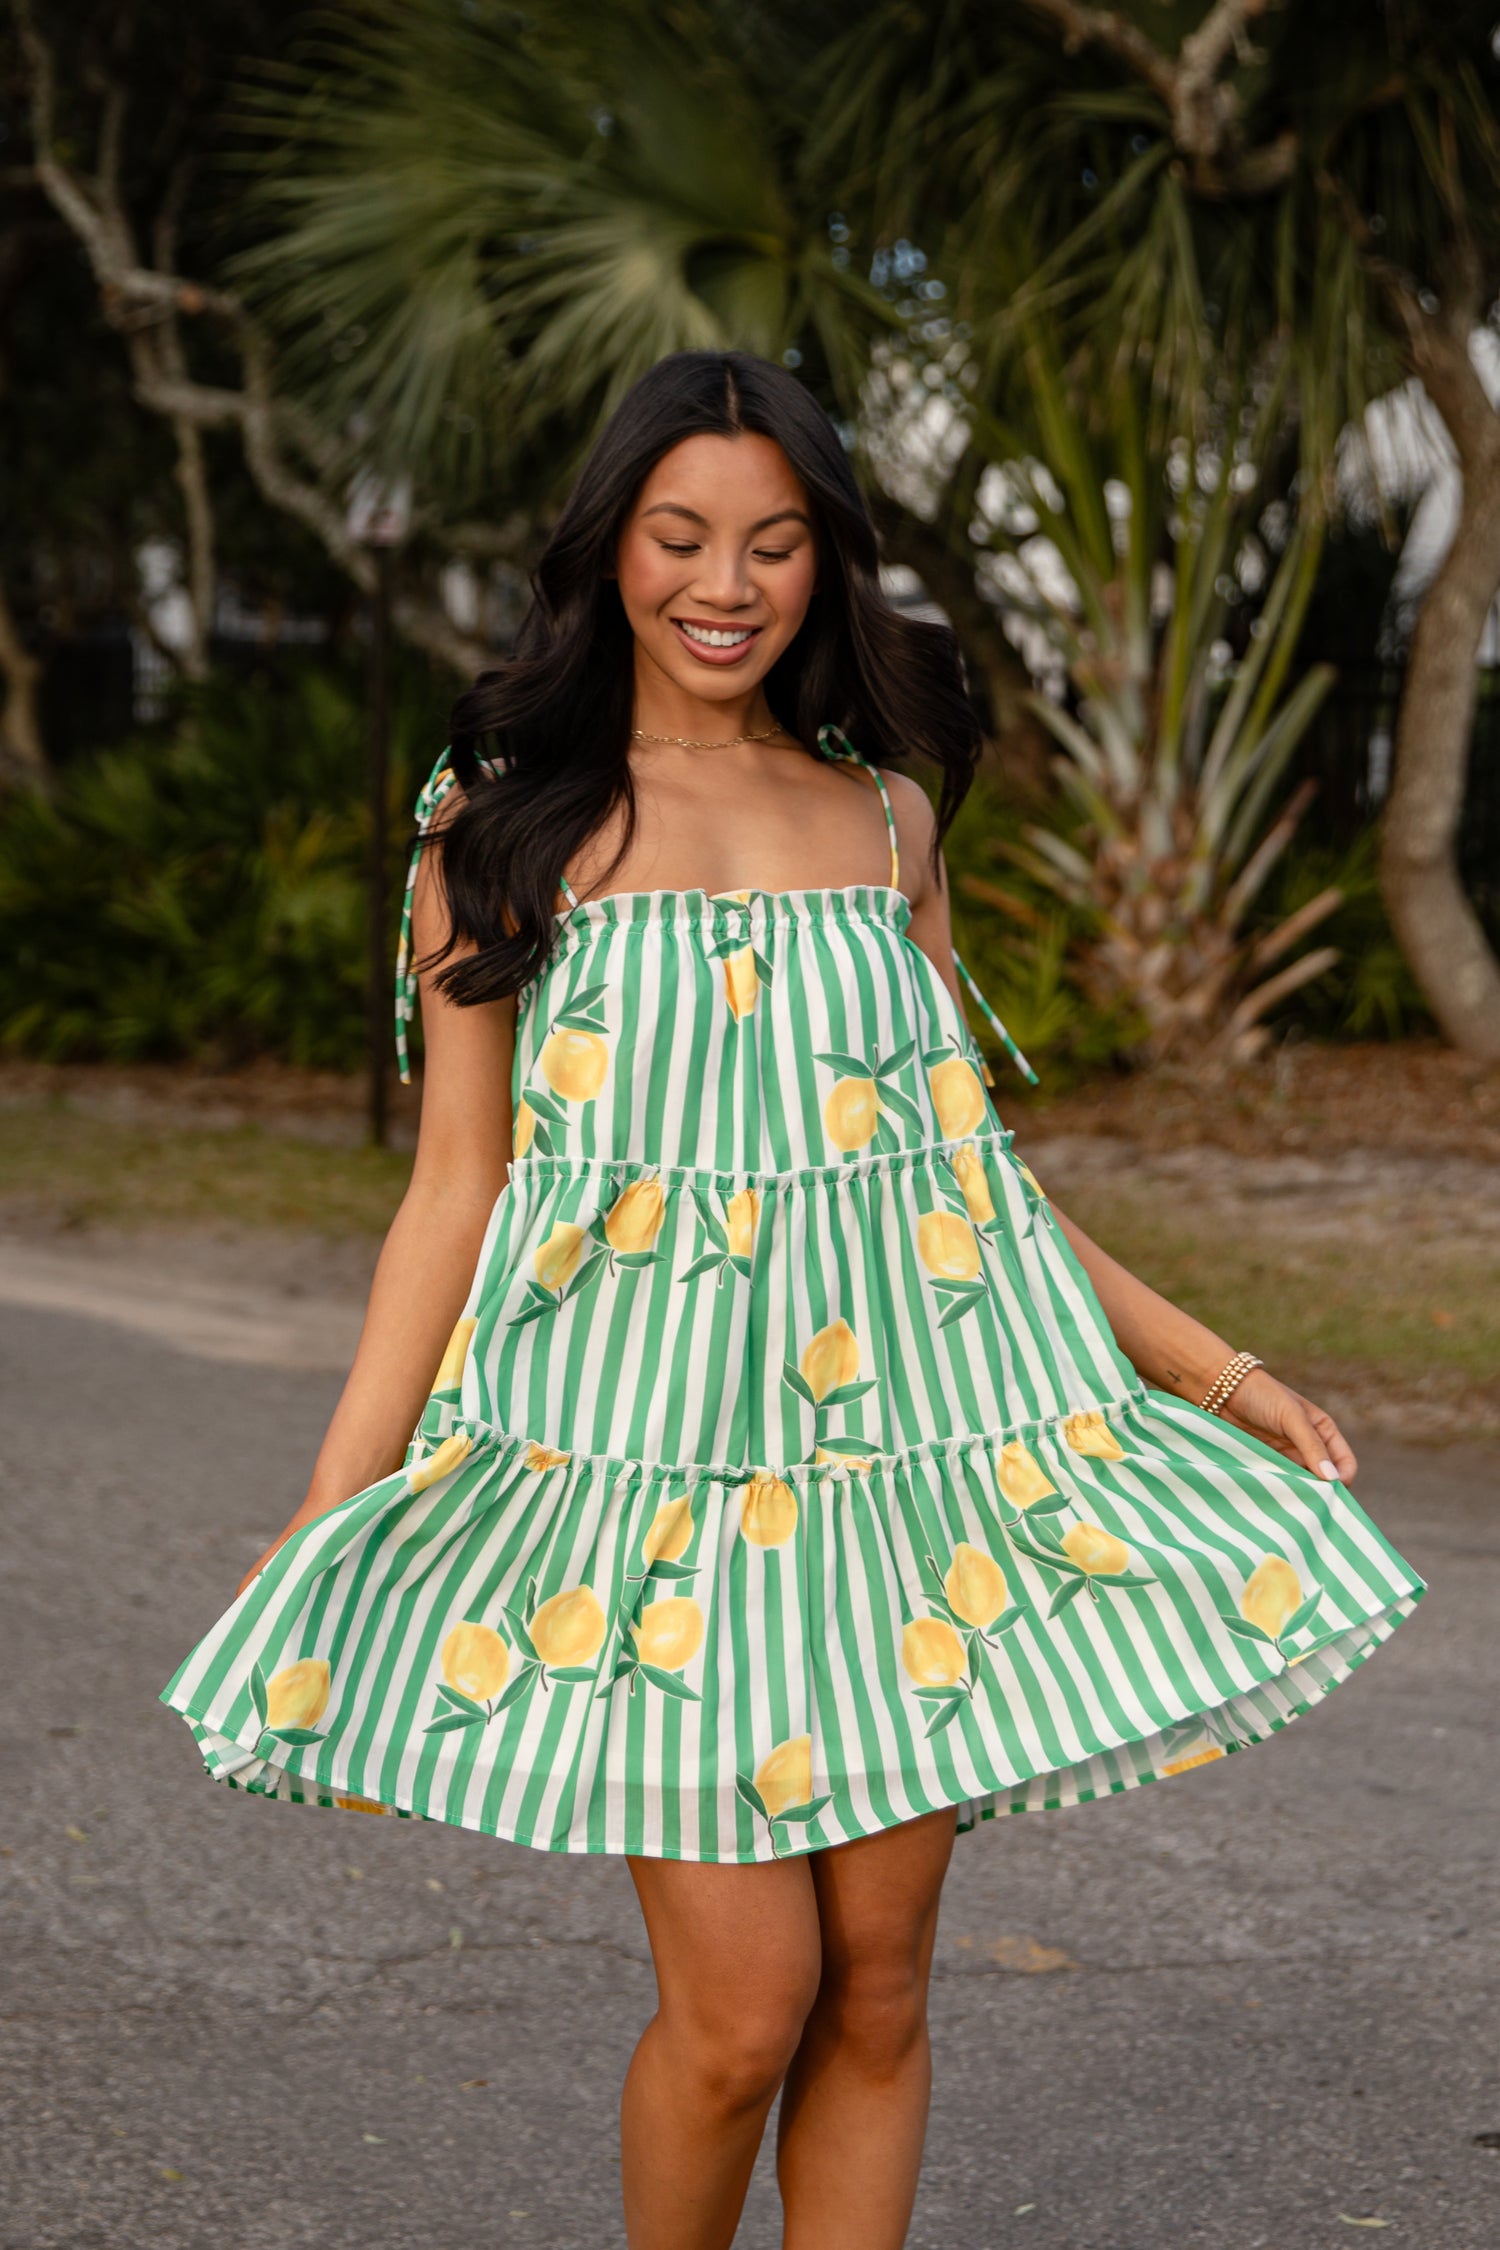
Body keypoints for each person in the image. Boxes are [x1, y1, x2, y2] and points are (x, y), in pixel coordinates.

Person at [163, 349, 1422, 2250]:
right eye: (682, 536)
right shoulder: (504, 824)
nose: (726, 583)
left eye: (773, 542)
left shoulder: (887, 820)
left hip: (897, 1485)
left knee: (885, 1987)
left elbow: (957, 1173)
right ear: (612, 552)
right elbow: (454, 1191)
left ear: (828, 562)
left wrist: (1211, 1367)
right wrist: (333, 1510)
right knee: (743, 2009)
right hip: (644, 1488)